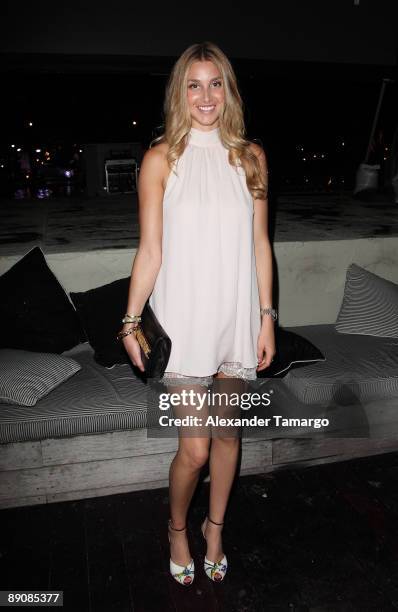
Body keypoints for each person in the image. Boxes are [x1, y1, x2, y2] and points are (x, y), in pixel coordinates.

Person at [119, 41, 276, 586]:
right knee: (195, 447)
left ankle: (215, 527)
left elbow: (260, 246)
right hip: (184, 322)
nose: (205, 96)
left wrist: (267, 316)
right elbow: (150, 251)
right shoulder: (161, 159)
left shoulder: (251, 156)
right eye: (194, 84)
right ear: (179, 92)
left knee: (229, 437)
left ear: (227, 90)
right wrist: (130, 322)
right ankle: (177, 528)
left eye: (215, 84)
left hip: (234, 317)